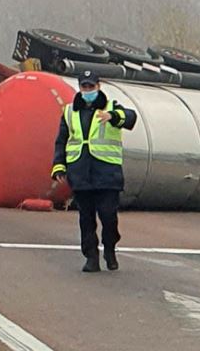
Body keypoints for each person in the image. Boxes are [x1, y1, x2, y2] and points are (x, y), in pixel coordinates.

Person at [51, 70, 138, 272]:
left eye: (91, 86)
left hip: (107, 173)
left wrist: (113, 116)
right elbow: (61, 141)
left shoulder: (111, 106)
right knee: (86, 218)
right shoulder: (69, 111)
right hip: (80, 172)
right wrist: (59, 165)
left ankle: (110, 248)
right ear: (80, 87)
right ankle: (91, 257)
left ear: (99, 86)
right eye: (85, 86)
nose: (88, 90)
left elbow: (131, 118)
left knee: (108, 216)